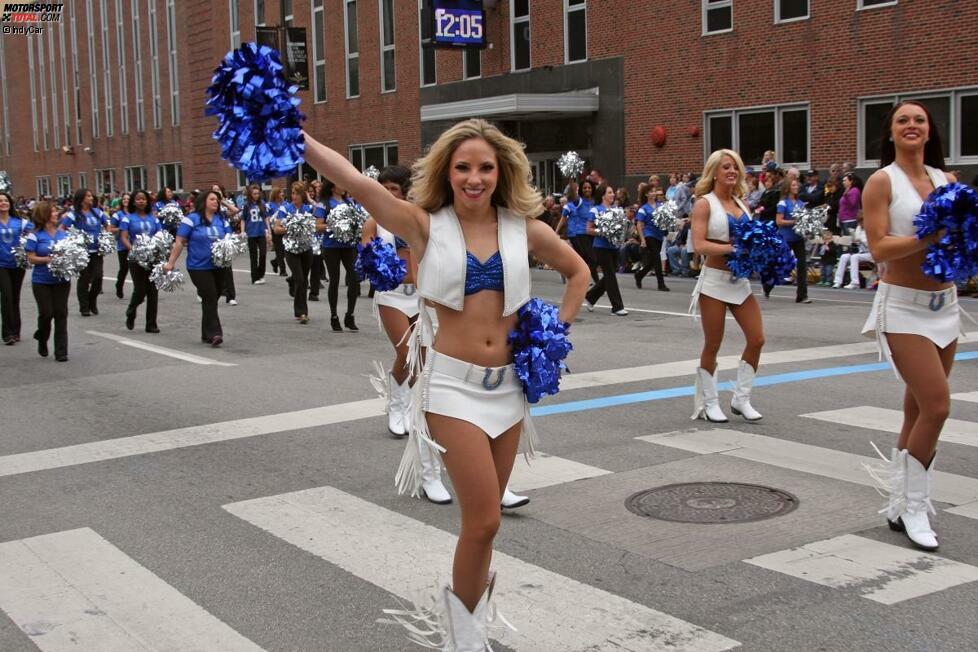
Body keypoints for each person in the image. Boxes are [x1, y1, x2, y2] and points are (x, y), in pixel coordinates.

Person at [302, 119, 589, 644]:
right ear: (447, 172)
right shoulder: (424, 225)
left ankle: (469, 627)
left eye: (484, 167)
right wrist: (294, 137)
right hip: (450, 389)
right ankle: (464, 637)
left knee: (487, 525)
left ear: (501, 171)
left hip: (509, 386)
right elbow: (355, 181)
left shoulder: (524, 228)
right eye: (463, 167)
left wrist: (554, 335)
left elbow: (579, 273)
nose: (474, 177)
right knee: (483, 521)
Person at [861, 100, 969, 552]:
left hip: (945, 305)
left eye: (919, 120)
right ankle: (915, 506)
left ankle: (899, 499)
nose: (911, 125)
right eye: (902, 120)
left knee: (917, 410)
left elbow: (963, 235)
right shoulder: (881, 181)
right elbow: (879, 247)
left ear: (930, 132)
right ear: (890, 132)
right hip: (902, 307)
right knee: (938, 406)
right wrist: (930, 237)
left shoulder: (948, 182)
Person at [689, 149, 766, 423]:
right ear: (714, 173)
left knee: (757, 338)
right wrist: (733, 248)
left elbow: (754, 240)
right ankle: (710, 403)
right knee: (713, 344)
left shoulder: (742, 203)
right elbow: (698, 245)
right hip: (713, 282)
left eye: (735, 167)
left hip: (739, 282)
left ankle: (741, 399)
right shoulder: (704, 204)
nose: (732, 171)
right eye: (726, 167)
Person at [164, 190, 231, 346]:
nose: (216, 202)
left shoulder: (221, 219)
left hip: (219, 265)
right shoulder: (191, 219)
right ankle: (215, 333)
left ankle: (205, 333)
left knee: (214, 296)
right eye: (212, 199)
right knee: (209, 295)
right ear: (204, 201)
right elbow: (180, 241)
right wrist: (170, 263)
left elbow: (229, 239)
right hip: (198, 266)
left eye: (217, 199)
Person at [24, 201, 70, 361]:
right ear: (44, 215)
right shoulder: (34, 235)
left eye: (56, 212)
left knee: (61, 313)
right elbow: (30, 258)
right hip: (41, 280)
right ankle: (42, 337)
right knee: (46, 313)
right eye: (52, 212)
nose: (56, 214)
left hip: (61, 280)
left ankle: (61, 351)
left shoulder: (63, 234)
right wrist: (47, 259)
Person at [315, 180, 360, 332]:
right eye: (342, 184)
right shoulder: (324, 204)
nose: (345, 186)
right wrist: (335, 225)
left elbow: (357, 221)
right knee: (334, 280)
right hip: (331, 246)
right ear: (333, 186)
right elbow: (318, 226)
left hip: (349, 246)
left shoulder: (350, 203)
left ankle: (350, 315)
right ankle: (334, 316)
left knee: (354, 278)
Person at [271, 182, 315, 325]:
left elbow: (317, 217)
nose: (294, 196)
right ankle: (302, 312)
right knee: (300, 279)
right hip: (291, 249)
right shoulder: (285, 209)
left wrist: (310, 199)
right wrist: (291, 227)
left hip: (306, 248)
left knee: (303, 279)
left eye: (297, 193)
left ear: (303, 195)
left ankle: (293, 281)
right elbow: (277, 229)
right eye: (293, 193)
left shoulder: (308, 208)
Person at [118, 190, 161, 333]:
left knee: (153, 291)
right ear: (133, 202)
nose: (141, 201)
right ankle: (131, 311)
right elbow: (124, 237)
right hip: (136, 258)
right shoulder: (127, 219)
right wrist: (134, 250)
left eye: (144, 199)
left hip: (152, 258)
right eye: (138, 199)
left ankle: (151, 323)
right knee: (140, 290)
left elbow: (160, 235)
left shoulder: (153, 219)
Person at [61, 188, 108, 317]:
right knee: (84, 278)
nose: (91, 198)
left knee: (98, 277)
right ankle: (84, 307)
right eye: (88, 196)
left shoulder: (98, 212)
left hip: (97, 250)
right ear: (81, 199)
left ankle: (92, 300)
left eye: (91, 196)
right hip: (82, 251)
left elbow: (106, 225)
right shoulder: (73, 214)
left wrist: (105, 237)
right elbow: (62, 228)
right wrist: (72, 240)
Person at [584, 183, 628, 315]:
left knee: (610, 275)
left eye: (613, 192)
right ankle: (617, 307)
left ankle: (591, 296)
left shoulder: (616, 209)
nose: (613, 194)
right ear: (603, 195)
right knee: (610, 275)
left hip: (614, 246)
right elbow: (588, 230)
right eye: (609, 192)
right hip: (601, 247)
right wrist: (603, 231)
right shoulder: (595, 210)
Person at [774, 177, 811, 303]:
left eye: (797, 185)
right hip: (786, 238)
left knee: (802, 265)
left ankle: (802, 295)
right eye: (793, 185)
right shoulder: (783, 203)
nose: (796, 187)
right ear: (788, 187)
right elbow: (779, 221)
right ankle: (767, 284)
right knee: (779, 264)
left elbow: (804, 220)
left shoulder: (801, 203)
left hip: (798, 238)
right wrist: (793, 222)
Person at [0, 191, 29, 345]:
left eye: (5, 200)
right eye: (0, 201)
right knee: (6, 297)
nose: (3, 203)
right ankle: (7, 333)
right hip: (1, 265)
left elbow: (36, 230)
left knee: (15, 297)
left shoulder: (20, 222)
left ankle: (16, 331)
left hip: (17, 264)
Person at [634, 185, 670, 291]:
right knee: (657, 258)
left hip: (659, 235)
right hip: (649, 234)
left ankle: (639, 275)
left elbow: (666, 220)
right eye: (651, 192)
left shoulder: (661, 206)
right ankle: (661, 284)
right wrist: (643, 239)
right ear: (646, 194)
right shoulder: (643, 209)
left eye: (655, 191)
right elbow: (639, 224)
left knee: (653, 260)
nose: (654, 193)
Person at [564, 178, 598, 284]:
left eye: (589, 188)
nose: (587, 189)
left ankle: (572, 273)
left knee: (585, 259)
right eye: (584, 188)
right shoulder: (578, 201)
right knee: (593, 259)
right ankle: (596, 282)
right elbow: (573, 194)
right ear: (581, 190)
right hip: (581, 234)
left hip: (593, 233)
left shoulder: (595, 202)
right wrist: (571, 181)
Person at [833, 214, 873, 289]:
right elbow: (856, 239)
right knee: (844, 256)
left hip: (870, 253)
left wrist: (861, 241)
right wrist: (854, 240)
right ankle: (837, 281)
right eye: (859, 222)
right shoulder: (858, 228)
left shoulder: (871, 229)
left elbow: (871, 244)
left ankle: (855, 282)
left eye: (862, 222)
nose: (860, 224)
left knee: (855, 257)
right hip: (860, 251)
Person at [242, 184, 271, 285]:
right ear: (250, 194)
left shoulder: (262, 204)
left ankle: (260, 274)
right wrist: (242, 231)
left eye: (258, 193)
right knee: (253, 256)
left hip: (261, 232)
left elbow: (265, 218)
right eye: (254, 194)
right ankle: (254, 278)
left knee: (263, 254)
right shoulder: (247, 205)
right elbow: (243, 219)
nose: (256, 195)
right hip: (251, 233)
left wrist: (268, 231)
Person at [109, 192, 131, 299]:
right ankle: (119, 286)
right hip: (122, 246)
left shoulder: (134, 214)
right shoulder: (117, 215)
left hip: (136, 246)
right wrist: (122, 228)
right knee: (124, 269)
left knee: (138, 269)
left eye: (128, 199)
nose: (126, 200)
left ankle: (140, 290)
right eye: (124, 199)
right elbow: (111, 229)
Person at [267, 186, 288, 277]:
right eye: (280, 192)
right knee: (279, 249)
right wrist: (269, 232)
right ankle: (282, 269)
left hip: (284, 229)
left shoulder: (286, 204)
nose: (282, 194)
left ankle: (275, 262)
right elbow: (267, 218)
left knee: (285, 249)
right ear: (276, 194)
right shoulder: (270, 205)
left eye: (282, 192)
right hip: (275, 229)